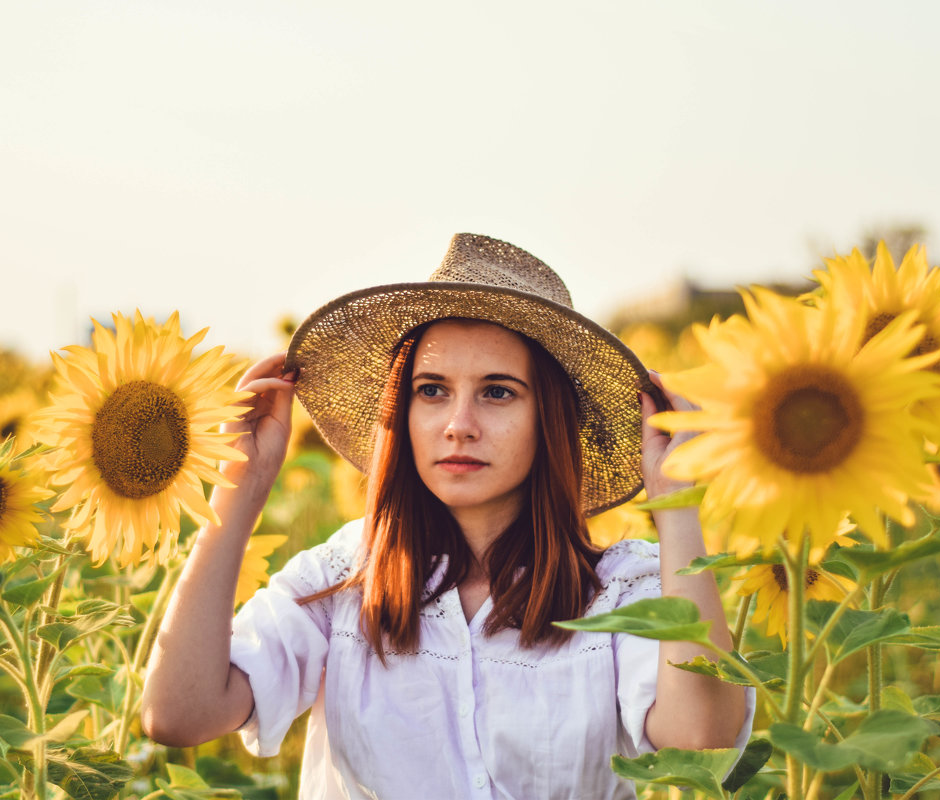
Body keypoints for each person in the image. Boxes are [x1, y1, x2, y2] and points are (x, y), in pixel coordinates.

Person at [141, 233, 753, 799]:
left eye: (497, 391)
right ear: (402, 415)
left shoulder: (618, 591)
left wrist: (677, 505)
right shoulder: (344, 581)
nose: (458, 424)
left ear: (552, 421)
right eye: (431, 390)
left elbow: (700, 737)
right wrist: (237, 489)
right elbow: (179, 714)